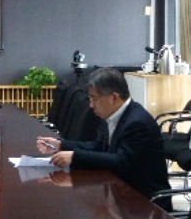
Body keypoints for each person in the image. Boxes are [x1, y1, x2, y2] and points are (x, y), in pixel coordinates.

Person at [34, 67, 170, 201]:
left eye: (94, 99)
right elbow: (99, 147)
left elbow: (122, 162)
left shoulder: (137, 122)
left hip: (143, 200)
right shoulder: (113, 115)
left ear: (114, 98)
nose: (91, 105)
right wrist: (61, 145)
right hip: (119, 190)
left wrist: (75, 157)